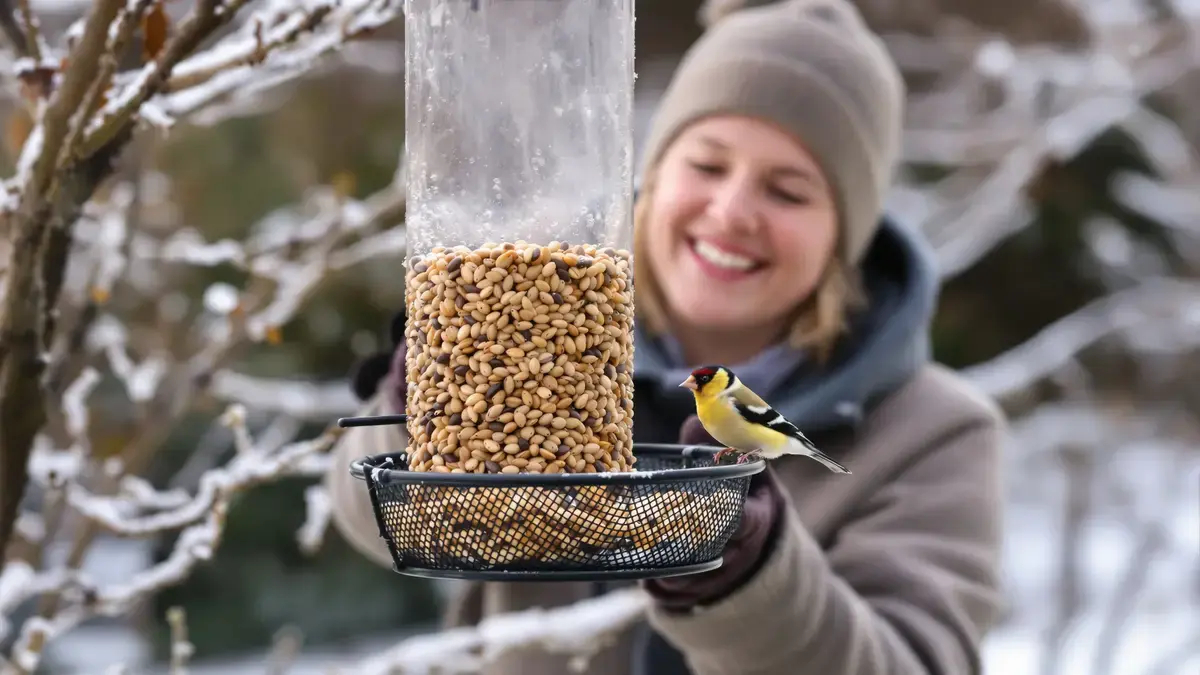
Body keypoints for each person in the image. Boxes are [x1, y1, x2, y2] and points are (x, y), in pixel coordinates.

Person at [325, 0, 1007, 673]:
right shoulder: (541, 341)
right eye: (707, 166)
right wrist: (423, 413)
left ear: (843, 239)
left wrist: (755, 581)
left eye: (788, 191)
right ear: (651, 176)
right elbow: (368, 518)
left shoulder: (932, 431)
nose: (731, 212)